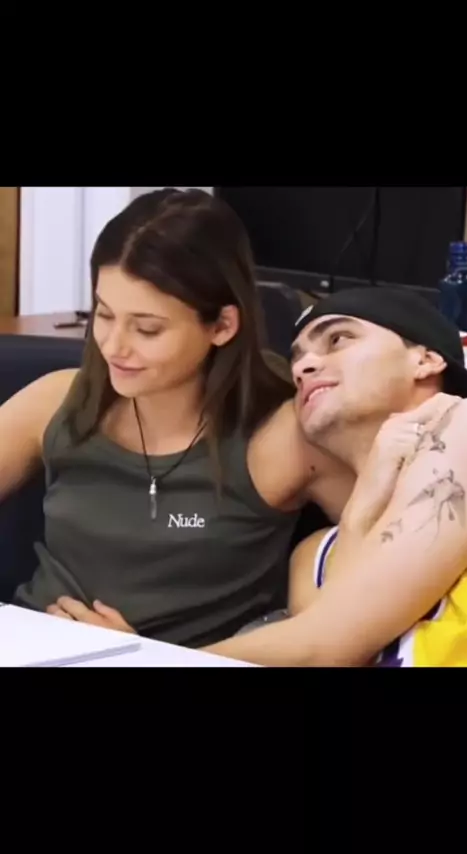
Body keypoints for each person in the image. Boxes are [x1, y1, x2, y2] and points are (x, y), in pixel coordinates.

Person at [2, 187, 363, 649]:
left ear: (222, 326)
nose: (114, 345)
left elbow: (375, 582)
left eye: (147, 328)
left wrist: (140, 657)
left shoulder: (287, 438)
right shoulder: (58, 399)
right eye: (105, 315)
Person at [203, 287, 467, 666]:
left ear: (425, 360)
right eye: (296, 359)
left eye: (338, 339)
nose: (302, 368)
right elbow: (323, 643)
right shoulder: (313, 555)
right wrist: (362, 502)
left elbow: (324, 646)